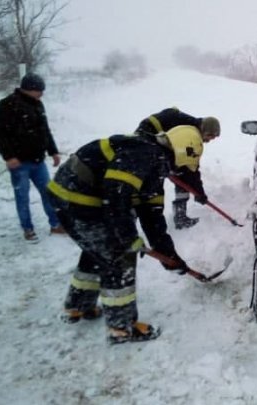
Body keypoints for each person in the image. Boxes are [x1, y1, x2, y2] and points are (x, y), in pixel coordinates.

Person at [47, 125, 213, 344]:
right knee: (118, 256)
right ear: (182, 151)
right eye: (179, 165)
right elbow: (116, 196)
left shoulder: (153, 162)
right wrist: (127, 237)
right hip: (79, 201)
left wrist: (170, 256)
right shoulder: (142, 154)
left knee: (96, 251)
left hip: (73, 198)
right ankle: (121, 328)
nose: (176, 170)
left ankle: (78, 306)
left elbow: (152, 217)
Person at [0, 72, 65, 243]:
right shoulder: (8, 104)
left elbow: (45, 130)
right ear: (29, 89)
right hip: (19, 163)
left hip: (38, 161)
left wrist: (53, 151)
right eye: (39, 90)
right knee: (22, 197)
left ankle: (55, 225)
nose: (42, 94)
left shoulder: (38, 104)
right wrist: (9, 156)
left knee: (49, 193)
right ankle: (28, 229)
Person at [134, 107, 220, 229]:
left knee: (179, 176)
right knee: (150, 193)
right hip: (149, 146)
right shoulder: (192, 137)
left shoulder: (189, 128)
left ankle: (179, 217)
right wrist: (199, 193)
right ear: (206, 130)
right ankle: (134, 228)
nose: (210, 140)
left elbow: (187, 169)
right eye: (211, 136)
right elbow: (191, 170)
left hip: (152, 147)